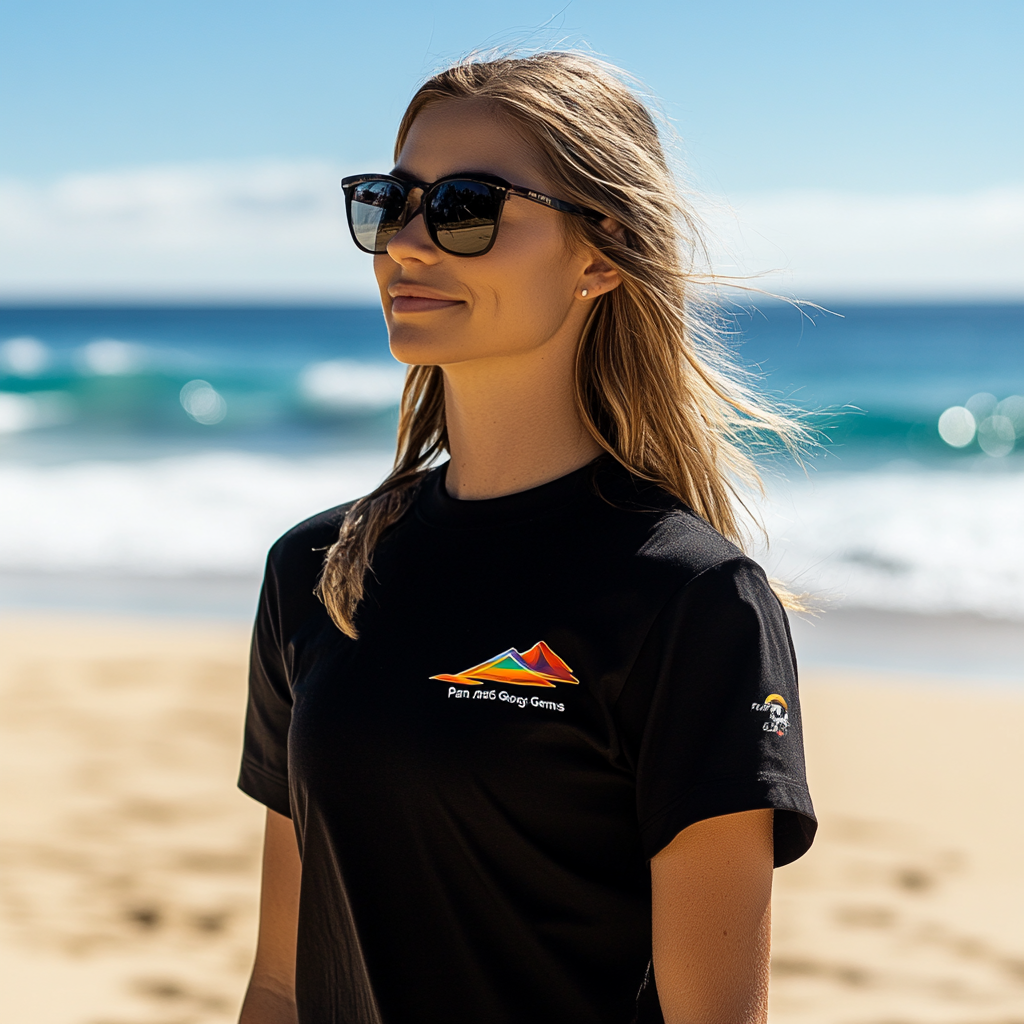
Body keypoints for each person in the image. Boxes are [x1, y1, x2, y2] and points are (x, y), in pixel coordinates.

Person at [237, 51, 816, 1024]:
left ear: (601, 253)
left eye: (464, 207)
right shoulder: (318, 573)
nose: (407, 245)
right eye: (389, 201)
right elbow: (283, 983)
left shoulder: (688, 601)